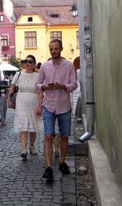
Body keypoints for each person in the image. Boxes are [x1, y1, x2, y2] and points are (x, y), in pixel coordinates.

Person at [36, 39, 77, 180]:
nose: (53, 51)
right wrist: (44, 87)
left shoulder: (69, 66)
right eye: (51, 49)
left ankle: (62, 162)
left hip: (64, 105)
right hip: (48, 105)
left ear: (61, 49)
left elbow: (74, 85)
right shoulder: (44, 66)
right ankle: (48, 167)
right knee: (48, 136)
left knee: (64, 136)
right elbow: (38, 84)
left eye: (56, 49)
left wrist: (63, 86)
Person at [8, 55, 42, 159]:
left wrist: (40, 105)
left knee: (33, 126)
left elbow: (40, 91)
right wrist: (9, 99)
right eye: (26, 61)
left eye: (30, 61)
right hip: (21, 101)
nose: (27, 63)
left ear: (34, 64)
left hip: (34, 101)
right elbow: (12, 87)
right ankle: (24, 149)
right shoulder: (18, 74)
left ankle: (32, 146)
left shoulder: (38, 76)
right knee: (23, 125)